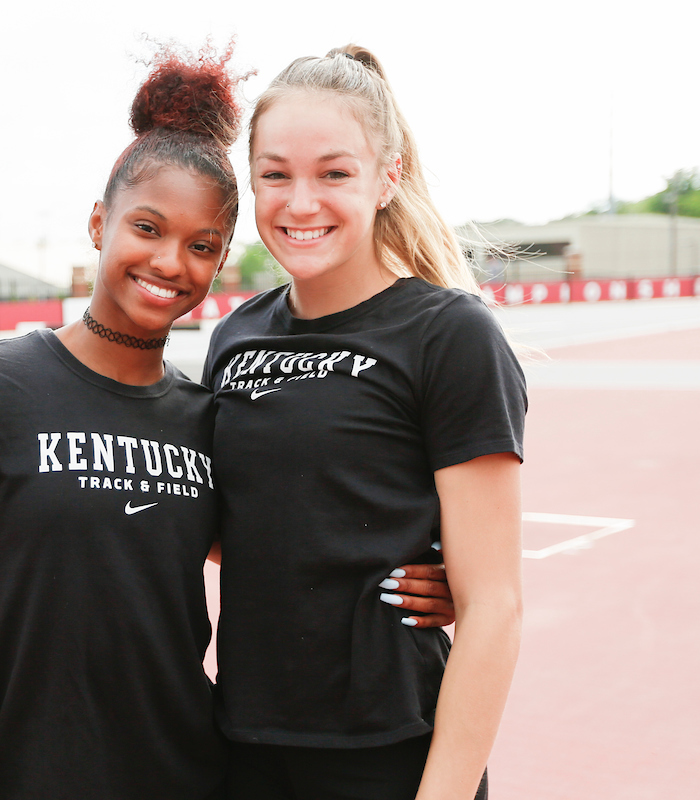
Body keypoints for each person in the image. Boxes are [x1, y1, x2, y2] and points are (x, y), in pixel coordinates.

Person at [0, 45, 453, 800]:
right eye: (148, 228)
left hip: (197, 771)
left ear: (223, 260)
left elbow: (279, 532)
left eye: (201, 246)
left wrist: (439, 575)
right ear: (100, 224)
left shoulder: (208, 413)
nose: (170, 262)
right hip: (30, 776)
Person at [203, 46, 526, 800]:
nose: (301, 202)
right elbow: (242, 521)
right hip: (244, 742)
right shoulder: (234, 336)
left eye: (335, 173)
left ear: (389, 176)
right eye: (275, 174)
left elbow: (495, 609)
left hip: (389, 750)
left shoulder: (449, 334)